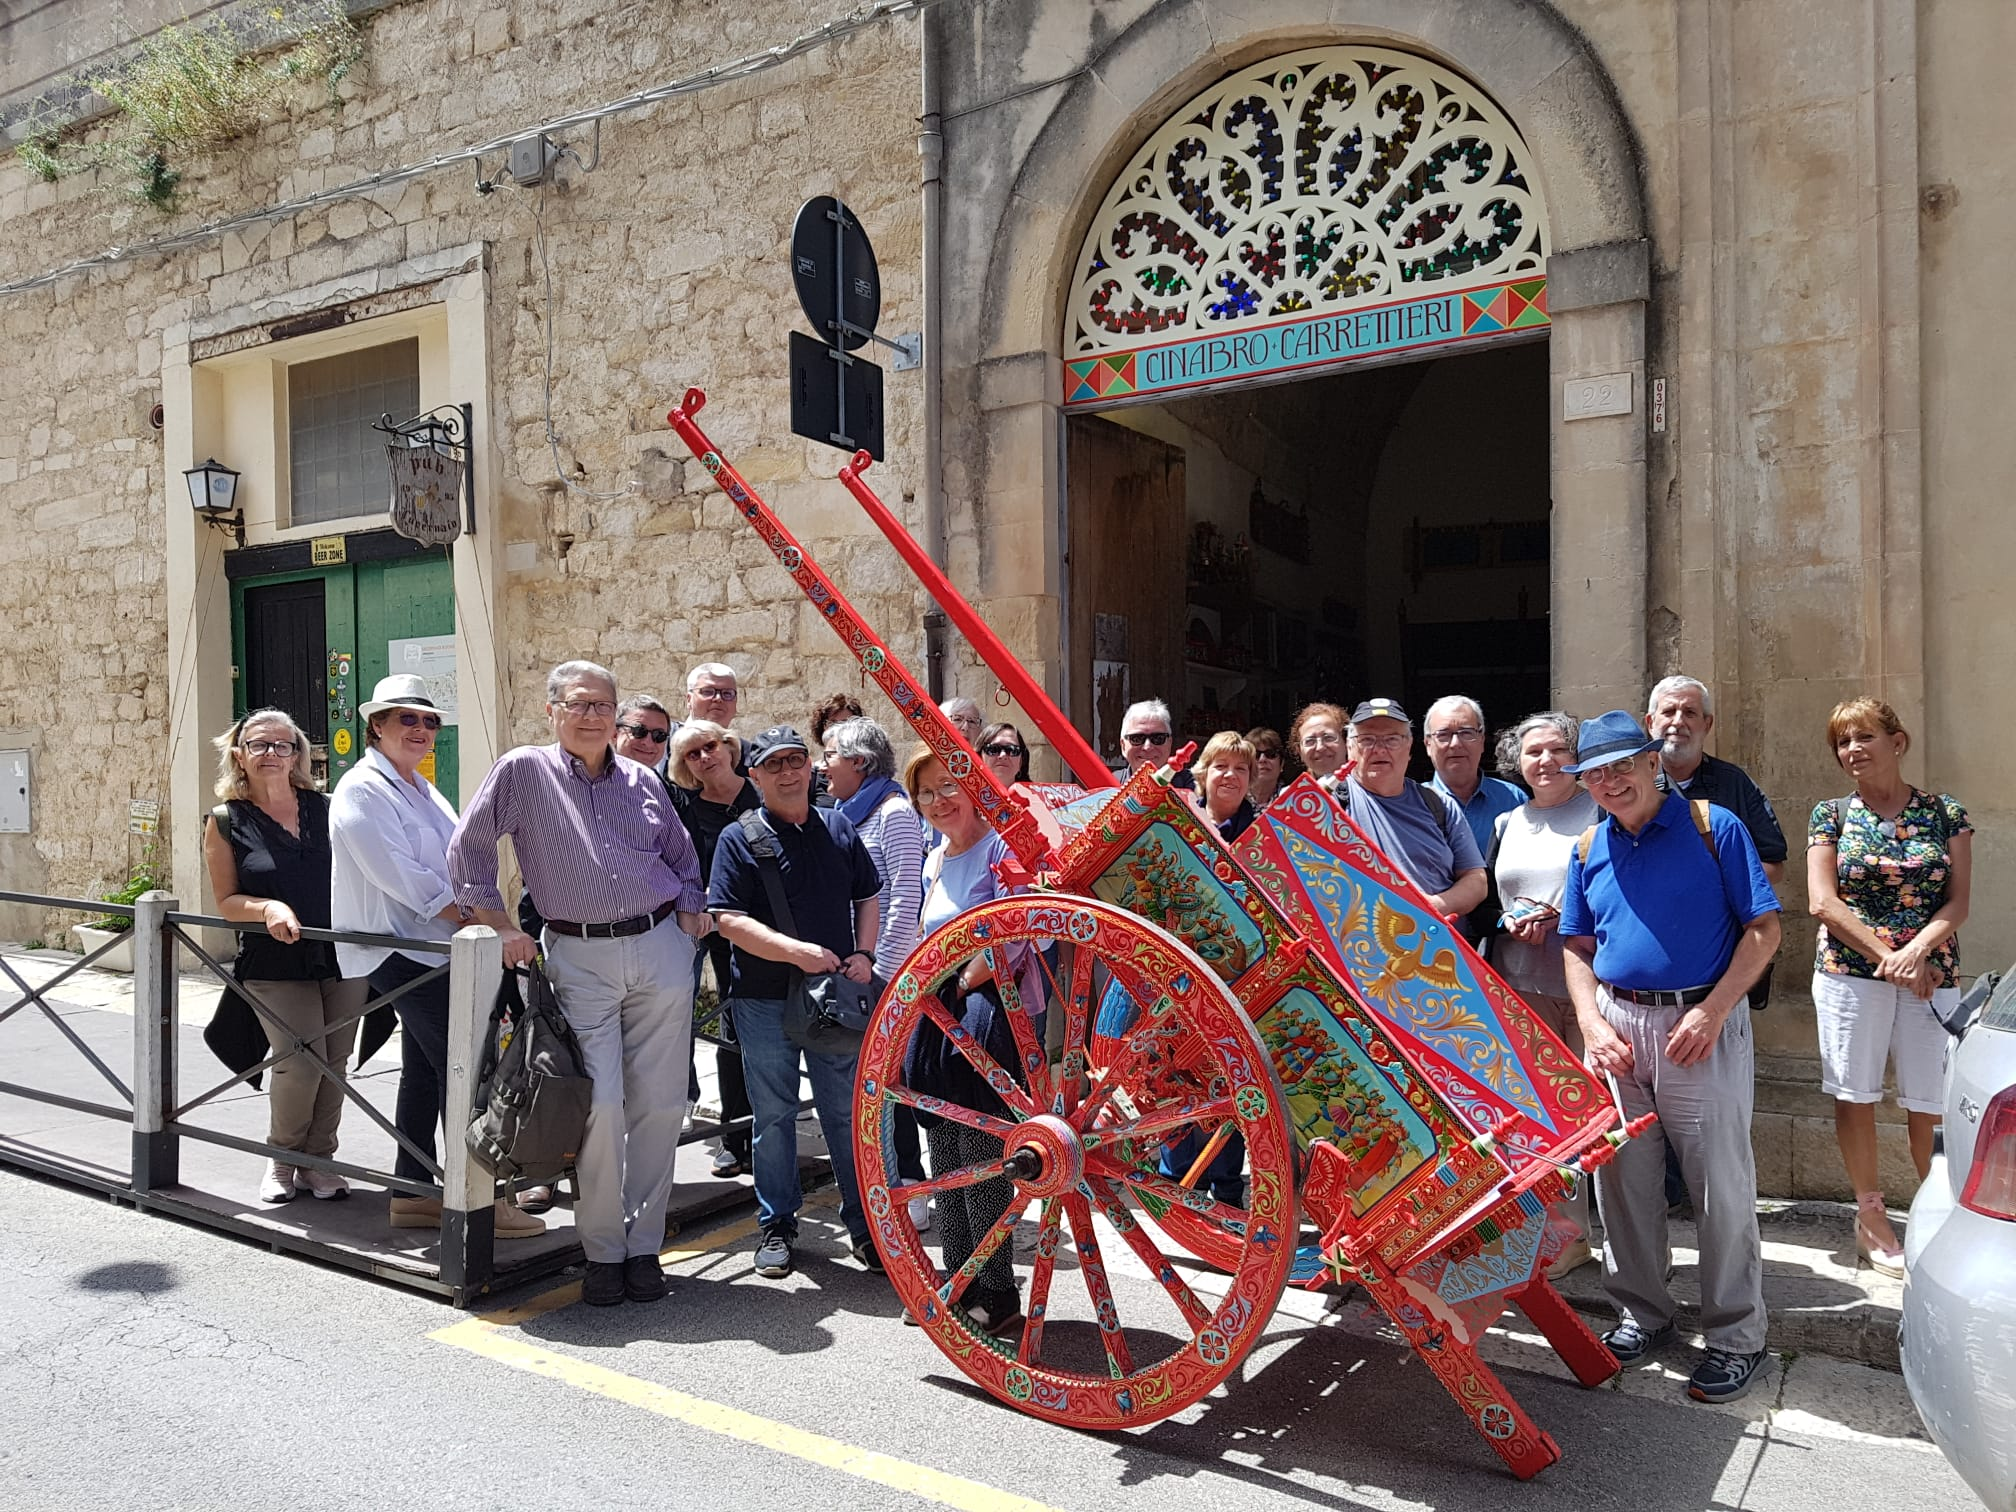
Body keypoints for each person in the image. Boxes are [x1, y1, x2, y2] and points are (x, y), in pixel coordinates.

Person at [448, 660, 711, 1308]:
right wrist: (498, 922)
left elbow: (681, 856)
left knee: (660, 1106)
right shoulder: (523, 771)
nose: (592, 716)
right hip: (580, 957)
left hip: (659, 950)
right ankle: (602, 1252)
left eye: (602, 706)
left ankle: (644, 1247)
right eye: (579, 704)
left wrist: (689, 912)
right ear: (553, 711)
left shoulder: (642, 780)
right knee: (600, 1107)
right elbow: (468, 849)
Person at [1558, 710, 1781, 1404]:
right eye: (1596, 772)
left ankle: (1737, 1336)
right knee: (1622, 1182)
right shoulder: (1589, 844)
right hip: (1619, 1027)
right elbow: (1576, 945)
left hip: (1700, 1023)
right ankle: (1643, 1313)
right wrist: (1592, 1023)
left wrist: (1714, 1011)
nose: (1611, 780)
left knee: (1720, 1186)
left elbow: (1765, 929)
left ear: (1654, 761)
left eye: (1624, 765)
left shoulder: (1716, 827)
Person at [330, 676, 546, 1238]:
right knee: (465, 1070)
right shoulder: (361, 789)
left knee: (428, 1071)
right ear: (377, 726)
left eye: (429, 721)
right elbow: (409, 881)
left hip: (437, 950)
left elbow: (458, 865)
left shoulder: (422, 789)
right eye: (407, 719)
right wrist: (491, 924)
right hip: (399, 949)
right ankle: (475, 1200)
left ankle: (414, 1191)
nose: (422, 730)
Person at [708, 725, 884, 1280]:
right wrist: (794, 952)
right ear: (754, 777)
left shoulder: (837, 826)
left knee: (845, 1115)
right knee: (774, 1118)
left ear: (811, 768)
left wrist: (864, 954)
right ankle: (777, 1227)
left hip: (832, 999)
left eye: (796, 761)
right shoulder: (739, 838)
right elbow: (727, 919)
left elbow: (868, 894)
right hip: (762, 1001)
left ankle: (867, 1229)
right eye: (773, 765)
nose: (787, 772)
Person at [1806, 697, 1971, 1278]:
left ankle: (1934, 1213)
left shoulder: (1945, 812)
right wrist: (1892, 957)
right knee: (1855, 1092)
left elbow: (1957, 902)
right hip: (1853, 973)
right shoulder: (1830, 815)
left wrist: (1918, 952)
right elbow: (1822, 902)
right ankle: (1871, 1216)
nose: (1852, 751)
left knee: (1932, 1100)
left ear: (1896, 742)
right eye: (1843, 743)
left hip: (1934, 974)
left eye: (1863, 738)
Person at [902, 743, 1042, 1333]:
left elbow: (1018, 927)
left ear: (974, 788)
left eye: (947, 787)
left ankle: (998, 1290)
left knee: (984, 1156)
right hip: (944, 1014)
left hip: (989, 1013)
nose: (937, 802)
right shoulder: (936, 859)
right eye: (925, 793)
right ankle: (957, 1275)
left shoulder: (998, 850)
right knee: (947, 1150)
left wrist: (959, 978)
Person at [203, 708, 368, 1205]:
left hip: (342, 953)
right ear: (239, 755)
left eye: (283, 745)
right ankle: (282, 1159)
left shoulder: (330, 808)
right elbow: (228, 904)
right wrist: (269, 906)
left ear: (298, 754)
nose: (271, 753)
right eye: (259, 744)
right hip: (274, 960)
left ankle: (321, 1160)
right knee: (299, 1062)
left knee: (335, 1061)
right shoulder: (227, 821)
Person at [1486, 711, 1599, 1277]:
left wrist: (1564, 917)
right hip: (1520, 983)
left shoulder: (1599, 810)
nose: (1546, 761)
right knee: (1538, 1114)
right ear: (1518, 762)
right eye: (1534, 752)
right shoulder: (1508, 821)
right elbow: (1489, 897)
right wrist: (1507, 920)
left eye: (1557, 750)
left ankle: (1605, 1236)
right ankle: (1561, 1232)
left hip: (1588, 988)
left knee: (1591, 1114)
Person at [821, 716, 932, 1226]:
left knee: (894, 1077)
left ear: (859, 764)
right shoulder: (846, 812)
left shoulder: (893, 813)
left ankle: (911, 1183)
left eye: (830, 755)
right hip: (859, 969)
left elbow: (907, 893)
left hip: (884, 971)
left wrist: (883, 970)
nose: (823, 765)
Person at [667, 719, 760, 1181]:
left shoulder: (759, 790)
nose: (705, 757)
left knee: (782, 1031)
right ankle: (735, 1137)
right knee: (731, 1031)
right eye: (692, 754)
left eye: (711, 746)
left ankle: (769, 1133)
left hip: (774, 928)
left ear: (729, 746)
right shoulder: (688, 810)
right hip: (722, 934)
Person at [1335, 700, 1489, 925]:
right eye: (1366, 740)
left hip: (1432, 950)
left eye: (1392, 739)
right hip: (1352, 949)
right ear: (1349, 748)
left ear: (1408, 748)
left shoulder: (1439, 805)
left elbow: (1476, 880)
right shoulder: (1325, 803)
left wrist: (1436, 905)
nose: (1379, 749)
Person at [1425, 694, 1525, 854]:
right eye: (1443, 735)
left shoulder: (1512, 798)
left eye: (1466, 733)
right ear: (1428, 744)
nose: (1456, 744)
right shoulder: (1412, 802)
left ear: (1482, 740)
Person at [1191, 730, 1257, 842]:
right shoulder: (1182, 821)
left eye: (1240, 768)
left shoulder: (1261, 835)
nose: (1231, 774)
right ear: (1204, 774)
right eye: (1221, 766)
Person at [1119, 699, 1189, 786]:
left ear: (1169, 743)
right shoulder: (1108, 786)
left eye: (1158, 738)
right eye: (1137, 739)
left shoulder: (1196, 787)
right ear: (1123, 746)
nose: (1147, 747)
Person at [1288, 702, 1349, 788]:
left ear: (1347, 742)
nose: (1320, 747)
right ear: (1299, 750)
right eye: (1310, 741)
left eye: (1328, 738)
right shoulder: (1291, 797)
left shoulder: (1369, 789)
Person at [614, 694, 676, 777]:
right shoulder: (594, 784)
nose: (648, 742)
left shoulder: (663, 788)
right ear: (614, 733)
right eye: (639, 731)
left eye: (659, 735)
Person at [978, 721, 1031, 788]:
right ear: (979, 756)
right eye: (993, 749)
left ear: (1022, 760)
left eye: (1012, 750)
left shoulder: (1035, 797)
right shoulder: (963, 796)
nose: (1003, 755)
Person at [1246, 726, 1285, 805]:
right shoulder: (1231, 799)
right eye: (1256, 754)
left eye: (1270, 754)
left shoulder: (1294, 798)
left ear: (1282, 764)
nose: (1262, 759)